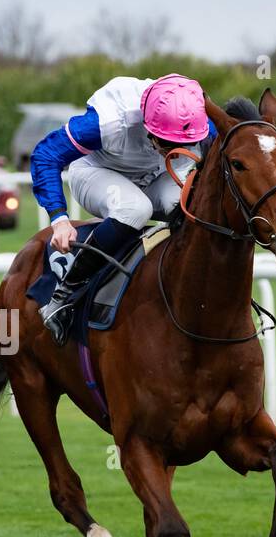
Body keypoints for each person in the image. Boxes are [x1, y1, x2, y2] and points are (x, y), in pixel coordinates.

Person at [29, 74, 216, 345]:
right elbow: (46, 155)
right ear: (149, 127)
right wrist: (59, 219)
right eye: (168, 143)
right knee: (135, 208)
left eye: (183, 145)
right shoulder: (106, 122)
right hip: (97, 172)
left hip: (154, 176)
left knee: (188, 203)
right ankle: (64, 295)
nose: (176, 150)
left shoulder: (198, 119)